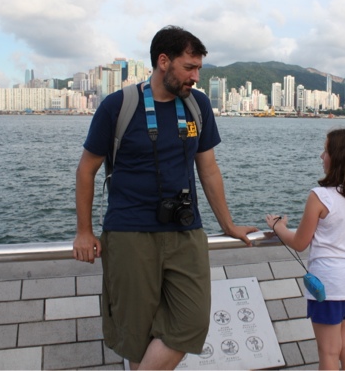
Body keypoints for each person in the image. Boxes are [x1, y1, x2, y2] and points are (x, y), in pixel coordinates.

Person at [73, 25, 258, 370]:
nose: (196, 77)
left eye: (198, 68)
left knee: (192, 321)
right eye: (189, 67)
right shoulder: (118, 106)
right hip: (129, 233)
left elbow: (208, 169)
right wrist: (84, 231)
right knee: (136, 334)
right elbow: (86, 169)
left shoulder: (198, 105)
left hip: (185, 229)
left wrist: (228, 224)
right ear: (163, 61)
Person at [265, 127, 345, 370]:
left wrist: (277, 226)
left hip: (329, 283)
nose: (321, 156)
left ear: (339, 158)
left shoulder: (320, 196)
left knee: (329, 352)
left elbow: (299, 243)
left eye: (326, 151)